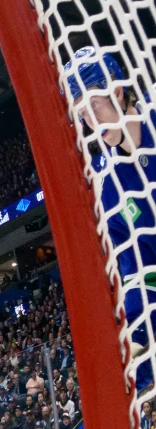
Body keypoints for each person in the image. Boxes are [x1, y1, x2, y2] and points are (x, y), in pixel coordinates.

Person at [62, 46, 156, 389]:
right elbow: (140, 277)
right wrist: (137, 351)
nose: (91, 122)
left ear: (117, 91)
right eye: (83, 114)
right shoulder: (110, 187)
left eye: (94, 106)